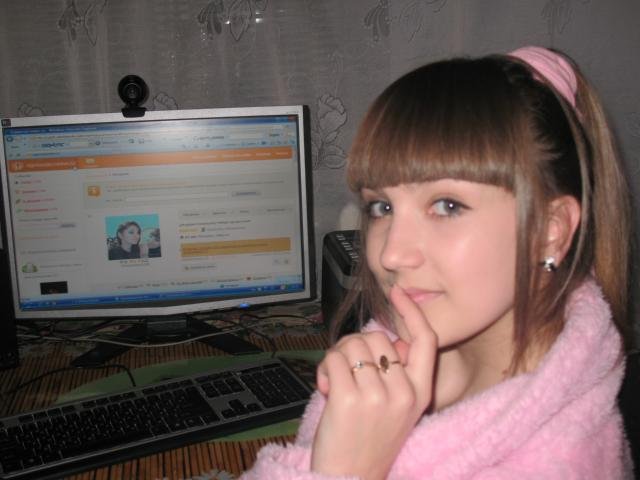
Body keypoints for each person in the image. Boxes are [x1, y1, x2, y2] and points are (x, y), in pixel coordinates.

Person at [240, 46, 634, 479]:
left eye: (447, 205)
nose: (390, 254)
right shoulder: (404, 346)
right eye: (381, 207)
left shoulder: (562, 466)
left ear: (549, 231)